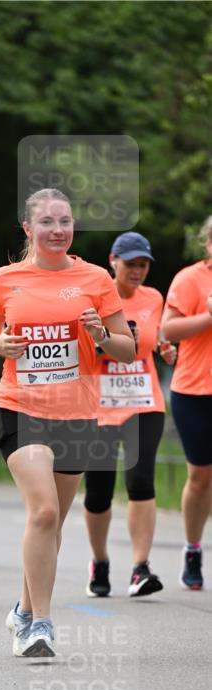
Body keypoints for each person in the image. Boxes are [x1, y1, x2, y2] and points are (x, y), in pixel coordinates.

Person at [0, 188, 135, 657]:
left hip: (77, 412)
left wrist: (102, 335)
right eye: (46, 222)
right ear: (28, 228)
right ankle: (39, 626)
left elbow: (127, 348)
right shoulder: (6, 278)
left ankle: (23, 608)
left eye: (64, 221)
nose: (57, 230)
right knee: (42, 511)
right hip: (18, 405)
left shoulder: (96, 278)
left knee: (53, 523)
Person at [84, 232, 177, 597]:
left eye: (144, 264)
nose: (138, 271)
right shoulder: (93, 299)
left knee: (140, 481)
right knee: (99, 492)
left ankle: (140, 568)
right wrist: (107, 339)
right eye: (131, 264)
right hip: (100, 405)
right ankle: (100, 561)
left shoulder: (153, 298)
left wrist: (166, 349)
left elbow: (156, 339)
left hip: (144, 401)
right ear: (113, 261)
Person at [161, 214, 212, 590]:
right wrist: (208, 316)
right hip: (194, 390)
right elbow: (169, 329)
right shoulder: (189, 278)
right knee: (199, 476)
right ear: (208, 244)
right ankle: (193, 548)